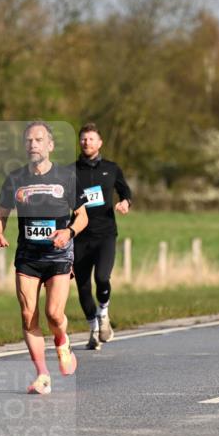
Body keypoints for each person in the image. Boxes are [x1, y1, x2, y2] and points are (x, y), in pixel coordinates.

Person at [0, 121, 89, 394]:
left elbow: (82, 216)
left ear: (50, 145)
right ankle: (42, 375)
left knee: (54, 314)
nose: (33, 144)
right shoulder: (15, 179)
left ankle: (62, 340)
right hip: (28, 256)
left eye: (38, 139)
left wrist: (68, 232)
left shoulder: (66, 177)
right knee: (27, 314)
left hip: (58, 253)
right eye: (28, 141)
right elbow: (1, 215)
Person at [73, 123, 133, 350]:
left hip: (105, 234)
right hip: (79, 235)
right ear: (79, 142)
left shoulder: (111, 168)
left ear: (100, 143)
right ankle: (93, 330)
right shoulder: (70, 171)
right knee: (82, 286)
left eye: (91, 139)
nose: (87, 142)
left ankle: (104, 313)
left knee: (101, 278)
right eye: (83, 139)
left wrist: (125, 202)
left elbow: (125, 190)